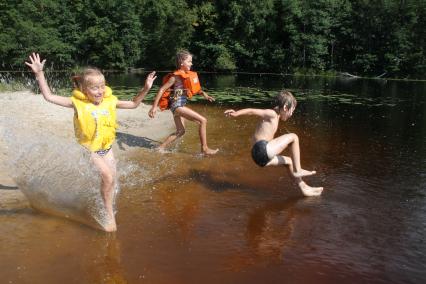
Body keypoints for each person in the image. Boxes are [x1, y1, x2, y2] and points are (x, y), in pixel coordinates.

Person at [25, 52, 157, 231]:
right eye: (94, 88)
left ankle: (102, 200)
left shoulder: (110, 101)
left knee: (112, 181)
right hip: (88, 149)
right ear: (84, 89)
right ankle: (109, 217)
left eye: (102, 86)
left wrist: (146, 88)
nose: (100, 91)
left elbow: (134, 104)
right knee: (108, 177)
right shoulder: (76, 103)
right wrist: (39, 73)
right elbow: (49, 96)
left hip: (107, 149)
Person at [224, 90, 323, 196]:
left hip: (258, 156)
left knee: (289, 161)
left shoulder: (275, 116)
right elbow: (252, 111)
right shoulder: (272, 114)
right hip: (262, 149)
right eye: (292, 111)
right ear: (285, 107)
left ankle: (304, 188)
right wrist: (236, 114)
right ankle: (298, 169)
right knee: (294, 137)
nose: (291, 114)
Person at [148, 50, 218, 155]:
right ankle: (205, 149)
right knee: (203, 121)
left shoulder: (186, 75)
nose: (191, 63)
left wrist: (205, 95)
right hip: (177, 106)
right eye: (189, 61)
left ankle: (160, 148)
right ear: (182, 62)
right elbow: (162, 89)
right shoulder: (175, 77)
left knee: (181, 131)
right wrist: (154, 107)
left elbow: (196, 89)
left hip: (177, 107)